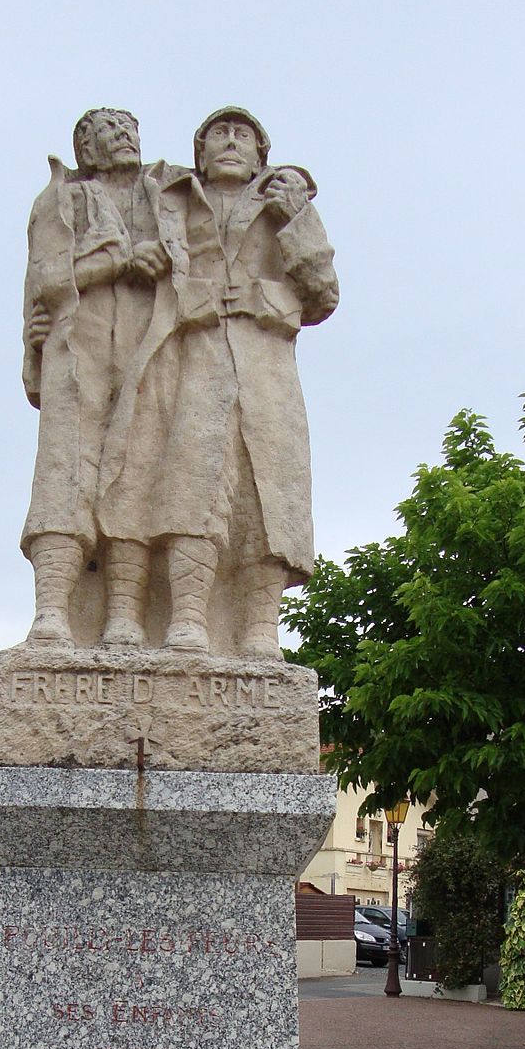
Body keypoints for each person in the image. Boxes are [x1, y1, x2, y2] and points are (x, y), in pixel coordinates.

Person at [96, 106, 338, 656]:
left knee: (267, 496)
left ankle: (259, 629)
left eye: (243, 135)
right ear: (199, 152)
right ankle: (186, 620)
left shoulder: (287, 208)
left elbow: (323, 294)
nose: (231, 143)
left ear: (261, 154)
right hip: (189, 358)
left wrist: (291, 228)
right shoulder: (169, 196)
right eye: (219, 135)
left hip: (265, 368)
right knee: (188, 483)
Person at [19, 109, 170, 644]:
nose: (125, 137)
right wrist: (118, 264)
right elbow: (46, 277)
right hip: (77, 347)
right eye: (109, 130)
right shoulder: (62, 199)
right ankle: (53, 611)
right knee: (65, 473)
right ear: (84, 146)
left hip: (152, 350)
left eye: (131, 128)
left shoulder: (165, 196)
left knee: (140, 472)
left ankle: (126, 615)